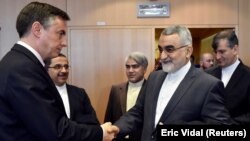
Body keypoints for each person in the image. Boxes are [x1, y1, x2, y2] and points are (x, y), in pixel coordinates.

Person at [0, 2, 117, 141]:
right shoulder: (23, 68)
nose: (64, 42)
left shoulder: (20, 62)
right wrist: (100, 132)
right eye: (60, 33)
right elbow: (55, 131)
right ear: (37, 29)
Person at [113, 25, 231, 141]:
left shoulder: (208, 85)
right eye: (160, 49)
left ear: (188, 51)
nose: (162, 56)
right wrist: (116, 128)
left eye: (169, 49)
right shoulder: (154, 77)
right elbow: (139, 111)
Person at [206, 29, 250, 125]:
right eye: (215, 52)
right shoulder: (207, 74)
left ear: (235, 49)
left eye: (222, 52)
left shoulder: (247, 76)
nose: (217, 57)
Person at [45, 53, 100, 125]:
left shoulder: (79, 93)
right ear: (46, 70)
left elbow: (93, 121)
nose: (64, 71)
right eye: (58, 67)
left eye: (66, 66)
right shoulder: (41, 93)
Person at [104, 51, 148, 141]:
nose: (130, 70)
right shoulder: (116, 89)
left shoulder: (151, 89)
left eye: (135, 66)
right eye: (127, 67)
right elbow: (109, 119)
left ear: (144, 69)